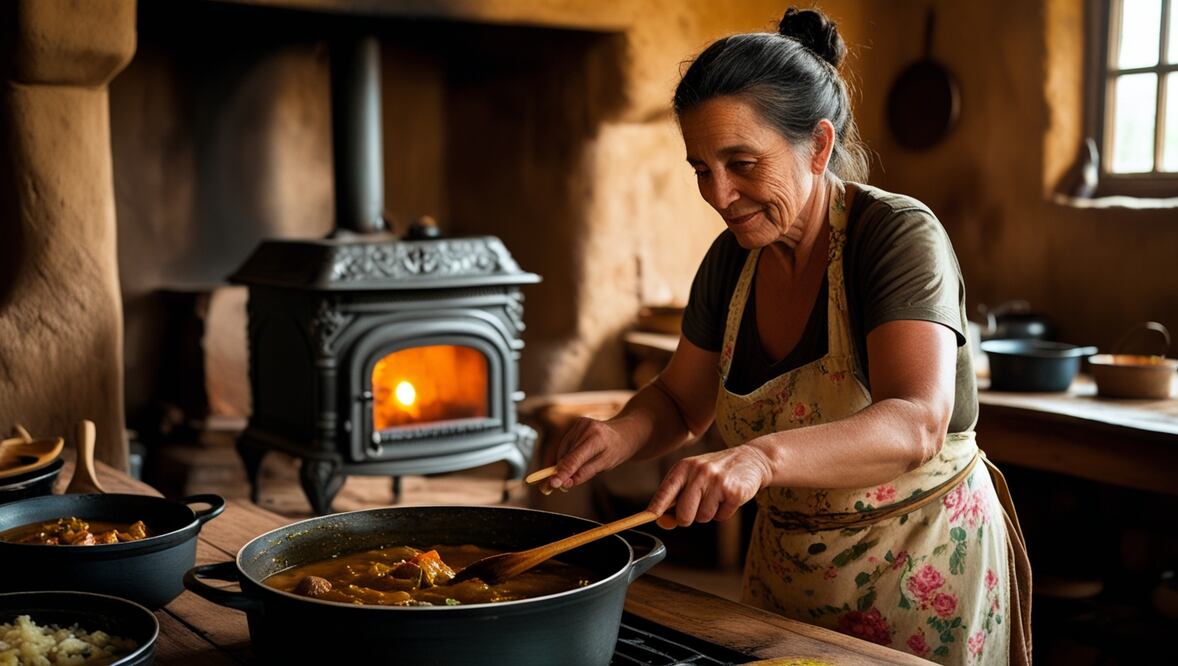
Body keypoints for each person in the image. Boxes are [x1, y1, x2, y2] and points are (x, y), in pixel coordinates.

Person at [543, 7, 1031, 665]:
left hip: (918, 572)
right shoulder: (732, 260)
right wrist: (618, 433)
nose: (719, 193)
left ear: (819, 146)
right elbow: (683, 404)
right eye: (701, 168)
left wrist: (757, 459)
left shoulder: (894, 237)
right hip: (787, 580)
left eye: (741, 162)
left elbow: (917, 422)